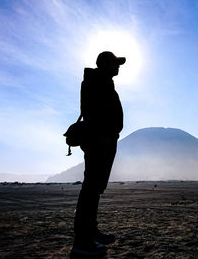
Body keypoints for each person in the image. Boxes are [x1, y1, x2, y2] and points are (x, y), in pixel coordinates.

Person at [71, 51, 125, 257]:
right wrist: (104, 135)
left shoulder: (103, 82)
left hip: (105, 141)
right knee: (91, 189)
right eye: (115, 63)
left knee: (94, 189)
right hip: (98, 141)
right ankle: (83, 241)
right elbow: (94, 114)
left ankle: (90, 232)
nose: (118, 66)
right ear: (105, 64)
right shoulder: (95, 82)